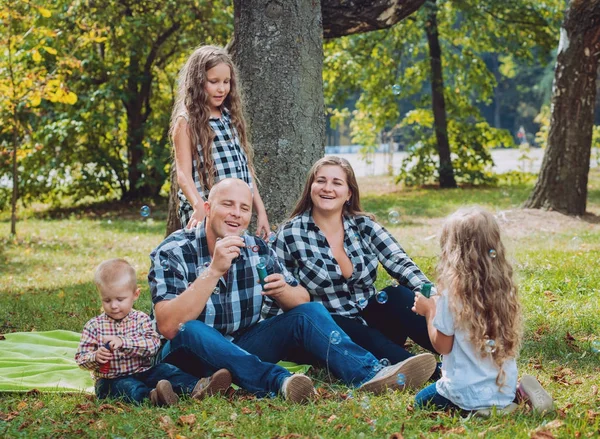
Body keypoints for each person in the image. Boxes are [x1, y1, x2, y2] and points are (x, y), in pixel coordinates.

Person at [148, 178, 437, 403]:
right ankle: (278, 381)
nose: (236, 214)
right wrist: (214, 271)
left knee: (309, 312)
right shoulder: (174, 250)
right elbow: (169, 325)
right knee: (193, 329)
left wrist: (283, 290)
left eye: (244, 208)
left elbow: (302, 301)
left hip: (242, 345)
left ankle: (371, 373)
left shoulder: (256, 248)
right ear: (208, 209)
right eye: (227, 205)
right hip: (186, 353)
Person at [265, 156, 437, 366]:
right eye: (320, 181)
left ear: (348, 193)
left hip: (372, 324)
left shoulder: (363, 225)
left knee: (397, 294)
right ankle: (425, 369)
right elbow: (277, 294)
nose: (327, 188)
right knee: (342, 325)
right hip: (328, 336)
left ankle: (459, 350)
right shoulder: (291, 233)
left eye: (337, 183)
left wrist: (433, 297)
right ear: (311, 187)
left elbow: (400, 262)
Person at [412, 208, 553, 413]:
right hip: (501, 387)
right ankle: (516, 395)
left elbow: (442, 346)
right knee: (495, 383)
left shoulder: (449, 295)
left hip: (463, 392)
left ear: (451, 250)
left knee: (421, 401)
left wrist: (430, 312)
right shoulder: (502, 289)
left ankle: (478, 409)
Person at [75, 258, 232, 406]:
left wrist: (125, 343)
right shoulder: (94, 326)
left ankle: (198, 387)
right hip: (111, 379)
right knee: (127, 387)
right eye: (107, 300)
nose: (114, 306)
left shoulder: (141, 320)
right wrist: (95, 357)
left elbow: (153, 345)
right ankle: (154, 397)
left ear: (135, 295)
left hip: (144, 371)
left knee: (166, 370)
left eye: (120, 299)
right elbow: (81, 358)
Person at [170, 45, 270, 237]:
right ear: (198, 82)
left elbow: (246, 170)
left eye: (226, 81)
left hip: (235, 215)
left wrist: (261, 211)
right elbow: (183, 174)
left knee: (234, 259)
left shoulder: (231, 118)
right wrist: (198, 205)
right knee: (207, 262)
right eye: (213, 81)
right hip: (206, 213)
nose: (222, 88)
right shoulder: (187, 122)